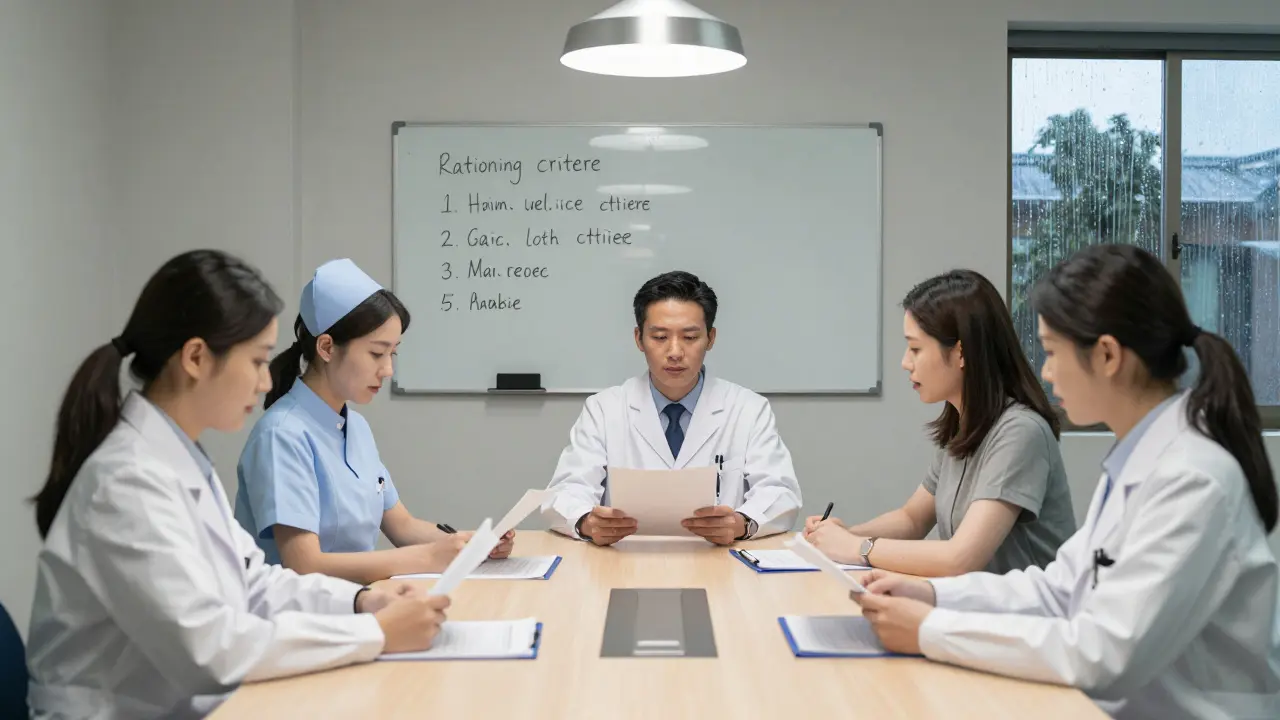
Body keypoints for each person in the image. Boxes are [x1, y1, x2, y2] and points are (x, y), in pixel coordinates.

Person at [853, 244, 1280, 719]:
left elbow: (1103, 652)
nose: (1046, 372)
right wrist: (931, 595)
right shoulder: (1139, 460)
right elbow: (1057, 589)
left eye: (1053, 352)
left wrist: (931, 629)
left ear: (1107, 355)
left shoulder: (1194, 479)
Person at [26, 250, 449, 719]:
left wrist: (363, 600)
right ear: (196, 358)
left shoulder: (178, 459)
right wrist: (377, 634)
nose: (266, 380)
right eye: (256, 361)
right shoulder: (126, 481)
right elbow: (211, 652)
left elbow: (252, 582)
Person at [235, 258, 513, 585]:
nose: (388, 370)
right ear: (326, 347)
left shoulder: (356, 429)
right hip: (299, 620)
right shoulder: (281, 435)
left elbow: (403, 526)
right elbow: (304, 565)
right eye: (376, 353)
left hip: (359, 604)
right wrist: (427, 557)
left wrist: (474, 543)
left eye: (392, 353)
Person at [804, 270, 1076, 576]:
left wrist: (857, 547)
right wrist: (846, 535)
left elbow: (960, 558)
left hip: (1025, 620)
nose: (905, 362)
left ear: (961, 352)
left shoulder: (1020, 433)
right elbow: (912, 519)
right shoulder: (964, 427)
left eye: (916, 348)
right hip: (976, 609)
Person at [541, 270, 802, 546]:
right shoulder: (604, 409)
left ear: (710, 339)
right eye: (660, 337)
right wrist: (587, 523)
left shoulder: (749, 409)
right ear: (639, 339)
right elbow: (567, 491)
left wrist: (741, 524)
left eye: (690, 337)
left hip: (719, 564)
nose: (675, 352)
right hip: (625, 563)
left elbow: (779, 492)